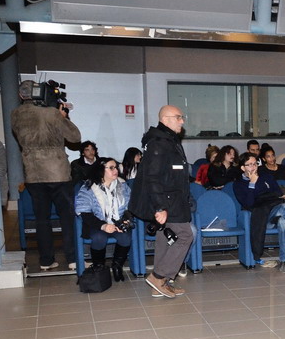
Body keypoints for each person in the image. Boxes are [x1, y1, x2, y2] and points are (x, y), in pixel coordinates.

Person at [11, 79, 81, 271]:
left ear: (20, 95)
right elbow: (75, 137)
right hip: (57, 173)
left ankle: (46, 261)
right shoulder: (51, 113)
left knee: (42, 219)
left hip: (33, 174)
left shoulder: (15, 114)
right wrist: (63, 117)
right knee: (66, 218)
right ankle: (72, 259)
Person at [128, 105, 195, 298]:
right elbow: (152, 178)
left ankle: (161, 284)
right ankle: (158, 277)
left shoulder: (169, 140)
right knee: (185, 236)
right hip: (167, 201)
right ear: (165, 119)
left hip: (174, 199)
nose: (182, 121)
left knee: (164, 238)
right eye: (178, 117)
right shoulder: (159, 143)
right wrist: (160, 207)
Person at [233, 152, 285, 272]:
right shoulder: (238, 184)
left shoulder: (266, 177)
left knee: (283, 220)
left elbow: (278, 193)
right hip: (260, 219)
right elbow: (248, 204)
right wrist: (252, 184)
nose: (253, 167)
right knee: (284, 208)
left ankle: (283, 261)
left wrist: (278, 196)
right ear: (243, 168)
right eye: (249, 164)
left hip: (276, 212)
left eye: (255, 164)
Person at [74, 157, 132, 281]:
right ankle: (99, 268)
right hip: (96, 223)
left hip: (117, 222)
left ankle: (117, 266)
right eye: (111, 168)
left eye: (116, 167)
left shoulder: (122, 185)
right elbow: (84, 212)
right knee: (99, 238)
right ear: (101, 170)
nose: (116, 170)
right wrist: (104, 226)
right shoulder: (89, 187)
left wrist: (125, 220)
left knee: (125, 237)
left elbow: (130, 206)